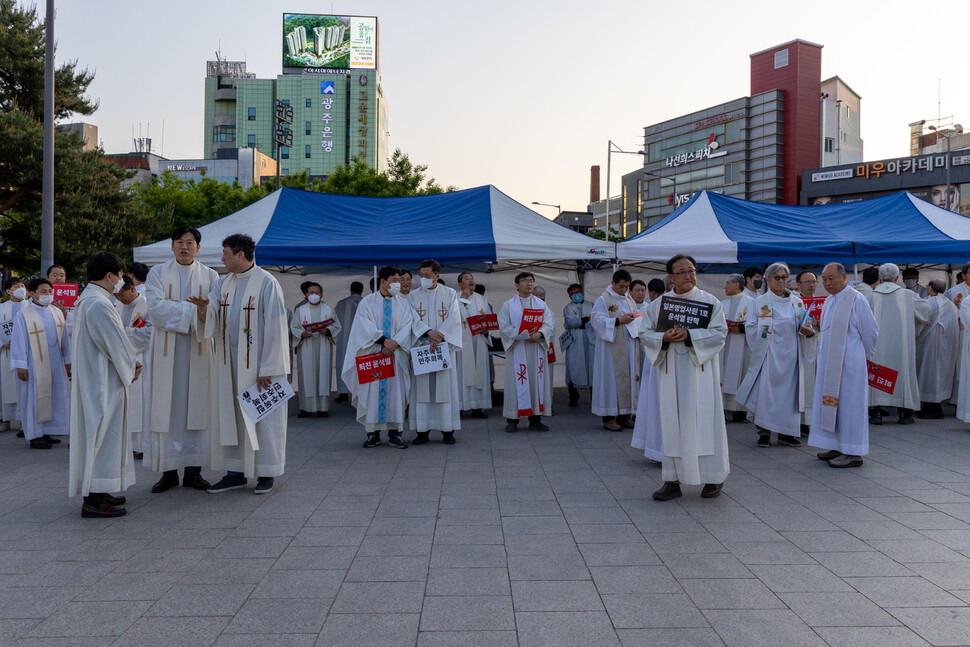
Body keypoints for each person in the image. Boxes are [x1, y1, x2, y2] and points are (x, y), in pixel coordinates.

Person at [198, 234, 290, 494]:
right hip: (229, 365)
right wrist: (204, 309)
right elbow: (213, 315)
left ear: (240, 255)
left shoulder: (267, 283)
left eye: (225, 253)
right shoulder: (223, 283)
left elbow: (276, 327)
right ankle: (234, 471)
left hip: (260, 368)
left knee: (263, 419)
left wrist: (269, 368)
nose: (222, 258)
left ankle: (266, 471)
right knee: (232, 417)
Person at [642, 254, 729, 500]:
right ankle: (672, 480)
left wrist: (690, 336)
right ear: (671, 277)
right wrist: (664, 338)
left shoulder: (710, 302)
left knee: (705, 423)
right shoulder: (659, 305)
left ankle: (714, 478)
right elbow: (644, 333)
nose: (688, 275)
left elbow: (720, 333)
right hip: (671, 375)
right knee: (673, 424)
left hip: (700, 374)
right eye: (682, 272)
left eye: (691, 270)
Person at [144, 226, 219, 494]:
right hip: (166, 354)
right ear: (172, 246)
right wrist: (196, 309)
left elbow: (215, 311)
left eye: (190, 243)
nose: (184, 247)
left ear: (198, 248)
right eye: (179, 242)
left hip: (199, 350)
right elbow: (155, 309)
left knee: (197, 408)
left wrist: (203, 311)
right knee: (168, 408)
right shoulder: (157, 273)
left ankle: (194, 472)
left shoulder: (211, 275)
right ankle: (168, 472)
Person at [68, 251, 141, 517]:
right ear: (110, 275)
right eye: (120, 276)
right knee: (101, 437)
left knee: (104, 437)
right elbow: (114, 342)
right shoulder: (97, 304)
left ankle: (101, 489)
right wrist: (132, 365)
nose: (121, 281)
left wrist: (129, 362)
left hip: (100, 377)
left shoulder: (90, 299)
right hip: (102, 382)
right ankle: (93, 501)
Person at [736, 263, 816, 448]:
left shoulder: (797, 302)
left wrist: (807, 330)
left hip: (792, 356)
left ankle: (786, 434)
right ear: (768, 279)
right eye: (776, 277)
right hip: (769, 355)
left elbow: (806, 323)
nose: (781, 281)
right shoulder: (760, 302)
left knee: (789, 398)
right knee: (767, 395)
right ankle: (764, 432)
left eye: (783, 277)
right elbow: (750, 327)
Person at [809, 263, 879, 468]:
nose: (827, 283)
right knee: (833, 405)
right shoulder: (829, 300)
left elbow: (870, 331)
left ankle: (853, 452)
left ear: (844, 278)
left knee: (850, 407)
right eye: (824, 279)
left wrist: (861, 356)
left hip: (850, 365)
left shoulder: (856, 299)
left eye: (831, 278)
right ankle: (837, 444)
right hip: (830, 363)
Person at [341, 265, 414, 449]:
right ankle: (372, 433)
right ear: (383, 282)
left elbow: (407, 326)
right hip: (374, 354)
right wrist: (383, 341)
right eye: (395, 280)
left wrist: (393, 343)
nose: (398, 284)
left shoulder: (404, 303)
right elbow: (363, 326)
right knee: (372, 393)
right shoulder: (367, 302)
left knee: (396, 393)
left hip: (396, 355)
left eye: (399, 280)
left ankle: (395, 433)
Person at [10, 278, 71, 450]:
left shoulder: (56, 312)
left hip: (56, 362)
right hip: (34, 364)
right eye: (43, 291)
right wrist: (20, 365)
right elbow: (18, 340)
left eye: (50, 291)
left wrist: (68, 359)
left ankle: (48, 431)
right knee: (36, 397)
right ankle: (36, 436)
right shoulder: (24, 313)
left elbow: (65, 337)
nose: (47, 295)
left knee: (55, 395)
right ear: (32, 293)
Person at [868, 263, 930, 425]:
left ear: (879, 278)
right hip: (902, 347)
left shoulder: (871, 296)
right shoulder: (909, 296)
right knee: (903, 375)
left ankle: (876, 413)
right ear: (897, 278)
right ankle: (904, 414)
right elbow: (926, 312)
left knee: (878, 376)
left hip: (877, 347)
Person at [408, 259, 462, 445]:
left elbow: (454, 316)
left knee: (445, 387)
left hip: (443, 346)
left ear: (436, 277)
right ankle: (422, 431)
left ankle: (448, 430)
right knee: (421, 389)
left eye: (427, 276)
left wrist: (439, 336)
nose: (423, 278)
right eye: (421, 275)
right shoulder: (413, 296)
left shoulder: (449, 293)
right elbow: (411, 318)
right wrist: (428, 333)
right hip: (422, 346)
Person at [498, 272, 554, 432]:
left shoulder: (541, 305)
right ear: (517, 285)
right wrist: (523, 334)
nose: (529, 284)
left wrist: (540, 334)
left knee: (536, 382)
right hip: (518, 349)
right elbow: (504, 326)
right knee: (515, 383)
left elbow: (548, 323)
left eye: (531, 281)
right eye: (525, 281)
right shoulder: (508, 305)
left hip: (536, 349)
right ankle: (512, 419)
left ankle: (535, 418)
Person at [590, 270, 640, 431]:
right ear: (613, 283)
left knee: (629, 379)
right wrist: (619, 320)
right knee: (611, 381)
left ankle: (624, 415)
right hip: (611, 349)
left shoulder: (628, 299)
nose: (624, 290)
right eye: (621, 286)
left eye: (626, 287)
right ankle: (609, 417)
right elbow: (597, 320)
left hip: (629, 345)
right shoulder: (603, 299)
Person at [290, 282, 342, 418]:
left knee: (323, 374)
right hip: (306, 346)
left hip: (323, 345)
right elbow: (294, 327)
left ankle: (322, 408)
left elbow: (337, 327)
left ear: (322, 294)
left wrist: (327, 331)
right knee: (306, 376)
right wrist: (301, 334)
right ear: (306, 295)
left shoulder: (329, 310)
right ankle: (305, 408)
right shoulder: (300, 311)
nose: (314, 295)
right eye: (311, 292)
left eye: (317, 292)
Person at [116, 275, 152, 460]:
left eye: (122, 294)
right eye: (117, 295)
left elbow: (150, 333)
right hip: (124, 358)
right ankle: (127, 445)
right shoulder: (119, 306)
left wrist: (125, 331)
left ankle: (143, 446)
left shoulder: (147, 305)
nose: (119, 299)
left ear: (132, 289)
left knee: (142, 403)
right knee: (127, 403)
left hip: (142, 359)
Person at [916, 279, 958, 419]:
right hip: (947, 345)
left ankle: (932, 409)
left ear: (930, 288)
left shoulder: (929, 303)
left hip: (931, 345)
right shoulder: (950, 304)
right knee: (939, 375)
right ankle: (932, 406)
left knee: (930, 374)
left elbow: (919, 323)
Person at [456, 272, 491, 418]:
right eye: (466, 279)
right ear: (459, 284)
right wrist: (462, 300)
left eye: (472, 278)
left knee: (480, 372)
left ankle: (478, 407)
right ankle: (461, 407)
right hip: (463, 342)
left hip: (479, 340)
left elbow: (489, 319)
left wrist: (486, 329)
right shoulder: (455, 299)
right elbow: (452, 318)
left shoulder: (482, 299)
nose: (470, 281)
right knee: (462, 374)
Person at [720, 274, 753, 423]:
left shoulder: (751, 303)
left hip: (743, 346)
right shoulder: (722, 304)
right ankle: (723, 410)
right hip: (725, 346)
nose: (725, 286)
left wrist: (740, 329)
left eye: (728, 283)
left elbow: (756, 326)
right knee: (722, 374)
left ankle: (740, 413)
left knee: (741, 376)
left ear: (736, 285)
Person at [0, 277, 27, 433]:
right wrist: (3, 343)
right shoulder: (1, 308)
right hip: (6, 353)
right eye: (17, 286)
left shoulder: (30, 306)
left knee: (24, 386)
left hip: (25, 353)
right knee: (6, 385)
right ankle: (5, 418)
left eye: (23, 285)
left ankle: (25, 421)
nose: (21, 288)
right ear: (8, 291)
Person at [796, 270, 821, 435]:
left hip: (817, 345)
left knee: (816, 384)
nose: (811, 285)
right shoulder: (793, 302)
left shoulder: (823, 302)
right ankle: (801, 422)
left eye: (814, 281)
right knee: (803, 385)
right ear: (798, 285)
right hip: (800, 348)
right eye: (807, 282)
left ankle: (815, 421)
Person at [561, 283, 594, 408]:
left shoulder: (591, 305)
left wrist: (581, 322)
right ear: (569, 296)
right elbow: (569, 323)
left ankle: (593, 395)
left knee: (592, 367)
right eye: (573, 293)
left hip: (590, 338)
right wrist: (586, 320)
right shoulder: (567, 308)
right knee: (573, 367)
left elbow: (596, 319)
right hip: (575, 341)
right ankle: (573, 396)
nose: (577, 295)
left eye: (578, 292)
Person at [333, 282, 364, 402]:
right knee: (361, 364)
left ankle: (343, 392)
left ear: (350, 290)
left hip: (344, 339)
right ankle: (360, 392)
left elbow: (335, 322)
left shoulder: (341, 303)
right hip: (361, 340)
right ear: (361, 290)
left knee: (343, 363)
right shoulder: (366, 302)